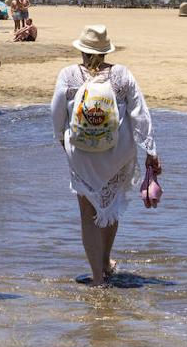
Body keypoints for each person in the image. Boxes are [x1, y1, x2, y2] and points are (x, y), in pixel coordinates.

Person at [50, 25, 160, 286]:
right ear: (106, 49)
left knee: (87, 213)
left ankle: (98, 277)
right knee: (110, 206)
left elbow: (56, 111)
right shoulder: (121, 75)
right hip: (116, 155)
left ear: (82, 51)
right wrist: (151, 150)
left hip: (82, 155)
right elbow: (139, 114)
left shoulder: (68, 75)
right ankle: (106, 261)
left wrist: (60, 138)